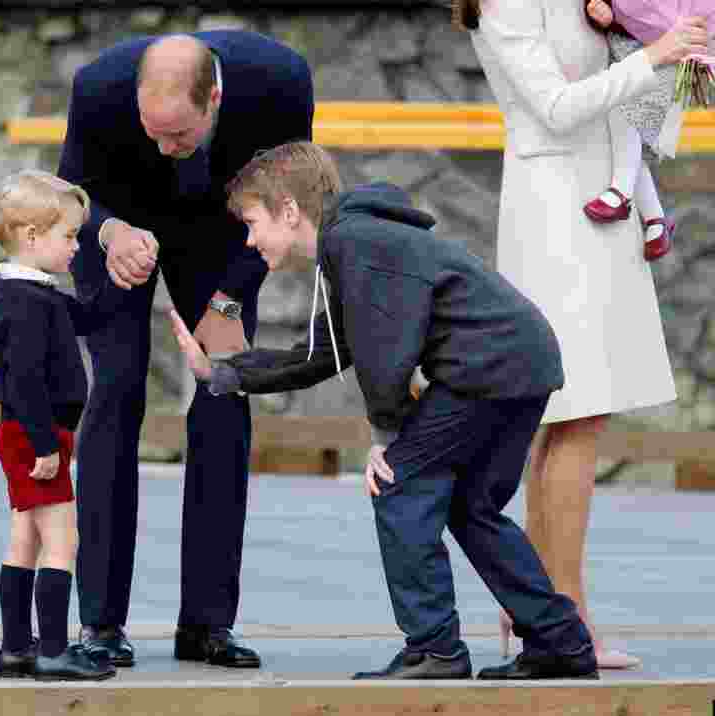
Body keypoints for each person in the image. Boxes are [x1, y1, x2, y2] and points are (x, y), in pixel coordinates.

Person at [170, 141, 599, 680]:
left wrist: (388, 434)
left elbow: (386, 351)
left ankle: (436, 649)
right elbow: (326, 354)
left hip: (487, 368)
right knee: (471, 506)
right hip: (519, 362)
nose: (249, 238)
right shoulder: (353, 244)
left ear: (288, 211)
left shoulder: (357, 242)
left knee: (398, 484)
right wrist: (223, 373)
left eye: (252, 222)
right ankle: (559, 642)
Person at [455, 0, 708, 668]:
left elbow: (628, 104)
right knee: (574, 409)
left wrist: (680, 61)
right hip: (551, 206)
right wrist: (656, 54)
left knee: (576, 417)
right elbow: (557, 107)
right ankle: (561, 616)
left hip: (604, 201)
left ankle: (544, 610)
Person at [56, 31, 314, 668]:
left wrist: (226, 302)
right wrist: (111, 232)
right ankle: (101, 624)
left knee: (222, 391)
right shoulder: (97, 85)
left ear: (216, 96)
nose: (165, 147)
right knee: (116, 389)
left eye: (179, 135)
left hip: (222, 242)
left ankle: (207, 624)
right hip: (119, 238)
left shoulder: (280, 81)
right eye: (152, 131)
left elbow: (285, 204)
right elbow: (72, 192)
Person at [0, 170, 120, 682]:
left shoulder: (38, 295)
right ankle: (54, 651)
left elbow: (87, 317)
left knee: (26, 537)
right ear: (31, 237)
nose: (74, 247)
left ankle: (18, 647)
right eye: (69, 236)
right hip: (35, 436)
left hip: (29, 436)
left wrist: (116, 274)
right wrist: (45, 444)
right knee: (63, 541)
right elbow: (21, 382)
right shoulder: (25, 305)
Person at [581, 0, 685, 261]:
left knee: (623, 112)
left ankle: (621, 193)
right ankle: (656, 220)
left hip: (661, 53)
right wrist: (603, 15)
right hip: (628, 48)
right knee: (627, 140)